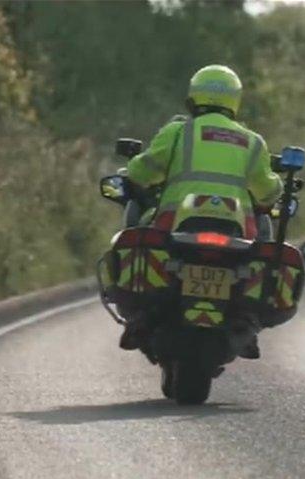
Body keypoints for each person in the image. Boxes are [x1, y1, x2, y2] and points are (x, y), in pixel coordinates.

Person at [120, 64, 283, 357]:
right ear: (235, 100)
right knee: (261, 247)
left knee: (138, 234)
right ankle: (245, 317)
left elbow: (144, 172)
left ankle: (141, 316)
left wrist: (132, 171)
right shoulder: (252, 142)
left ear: (193, 98)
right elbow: (268, 192)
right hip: (237, 233)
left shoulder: (179, 131)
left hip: (175, 225)